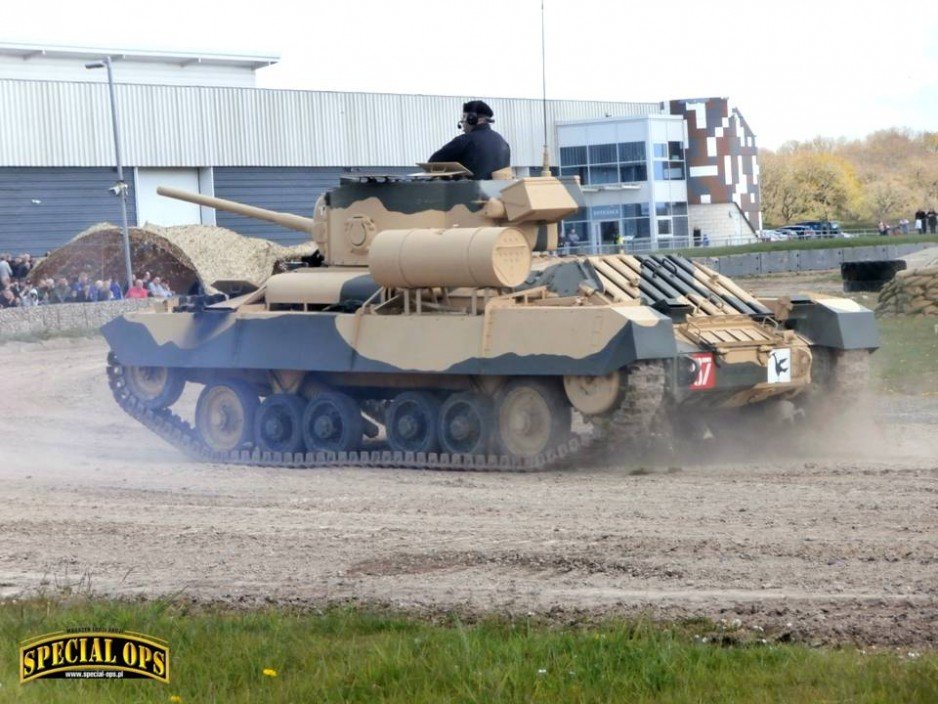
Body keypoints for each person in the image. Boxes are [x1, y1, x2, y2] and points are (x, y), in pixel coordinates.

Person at [428, 100, 510, 180]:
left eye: (464, 117)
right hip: (498, 193)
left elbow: (433, 163)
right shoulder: (503, 143)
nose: (462, 123)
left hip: (469, 192)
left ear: (472, 118)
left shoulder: (464, 140)